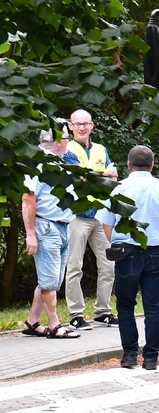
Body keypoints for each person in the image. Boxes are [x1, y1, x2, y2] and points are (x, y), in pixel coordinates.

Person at [99, 145, 159, 370]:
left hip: (126, 251)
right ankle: (151, 357)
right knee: (153, 306)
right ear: (152, 165)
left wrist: (115, 243)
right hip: (156, 250)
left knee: (125, 304)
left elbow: (106, 223)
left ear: (128, 165)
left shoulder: (117, 189)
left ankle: (129, 354)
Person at [61, 108, 118, 330]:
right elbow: (80, 178)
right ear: (71, 127)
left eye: (86, 123)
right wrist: (102, 175)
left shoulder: (101, 149)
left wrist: (101, 176)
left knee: (108, 265)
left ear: (92, 125)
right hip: (77, 215)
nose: (82, 127)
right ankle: (75, 314)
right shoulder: (67, 149)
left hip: (101, 214)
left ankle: (103, 311)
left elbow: (113, 176)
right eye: (77, 124)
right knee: (75, 266)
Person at [21, 128, 81, 339]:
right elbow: (28, 199)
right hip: (46, 226)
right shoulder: (37, 162)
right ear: (57, 140)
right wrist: (30, 234)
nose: (69, 140)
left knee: (51, 280)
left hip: (62, 225)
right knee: (49, 281)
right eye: (66, 136)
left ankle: (31, 323)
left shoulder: (58, 160)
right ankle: (55, 326)